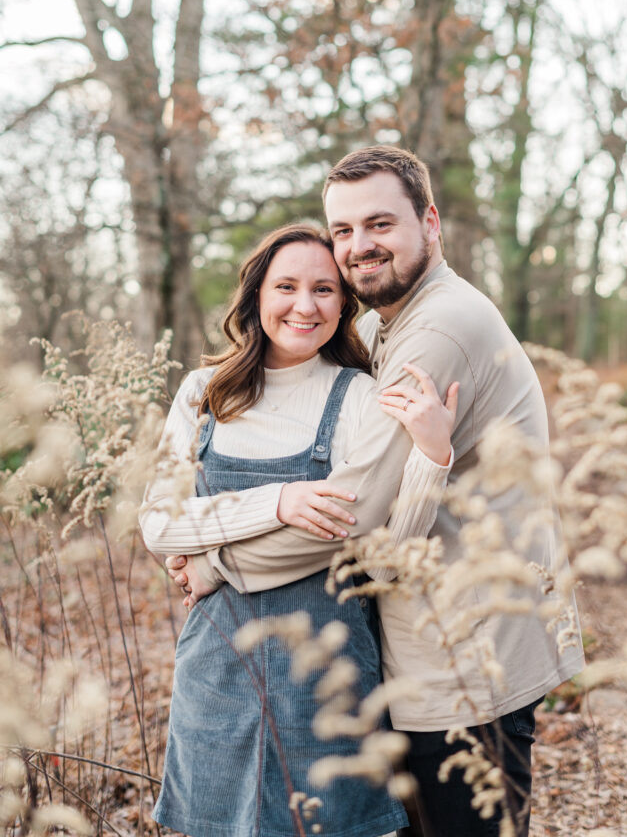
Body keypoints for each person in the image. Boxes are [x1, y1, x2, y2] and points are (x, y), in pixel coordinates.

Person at [161, 146, 585, 837]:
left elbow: (349, 516)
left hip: (466, 652)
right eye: (344, 231)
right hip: (425, 640)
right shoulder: (378, 324)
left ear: (430, 222)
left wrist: (215, 560)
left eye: (380, 224)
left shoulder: (436, 329)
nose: (359, 247)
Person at [140, 223, 460, 837]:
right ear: (257, 295)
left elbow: (373, 546)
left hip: (329, 683)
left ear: (344, 304)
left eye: (325, 289)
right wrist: (278, 500)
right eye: (286, 286)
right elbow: (158, 522)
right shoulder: (200, 395)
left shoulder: (363, 398)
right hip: (216, 668)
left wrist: (431, 462)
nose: (305, 305)